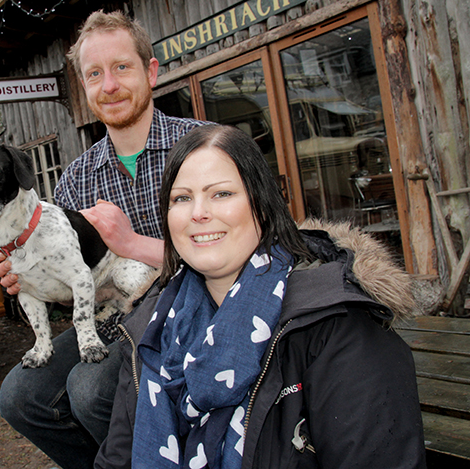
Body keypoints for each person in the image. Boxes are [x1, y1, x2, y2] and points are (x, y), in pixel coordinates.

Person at [96, 123, 426, 468]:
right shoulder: (153, 325)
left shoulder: (337, 325)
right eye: (181, 198)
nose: (198, 213)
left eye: (221, 194)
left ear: (263, 204)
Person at [0, 10, 208, 469]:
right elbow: (74, 285)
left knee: (89, 390)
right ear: (83, 87)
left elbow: (249, 250)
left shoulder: (202, 146)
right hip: (116, 316)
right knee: (19, 397)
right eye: (94, 74)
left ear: (151, 72)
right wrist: (30, 278)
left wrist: (131, 243)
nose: (109, 85)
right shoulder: (75, 179)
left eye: (121, 67)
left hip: (200, 307)